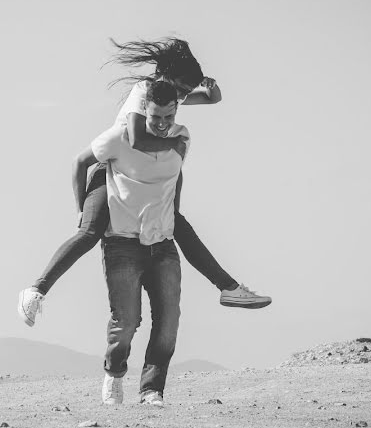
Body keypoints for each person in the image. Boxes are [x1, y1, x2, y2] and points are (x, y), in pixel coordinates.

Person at [17, 38, 269, 327]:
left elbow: (214, 98)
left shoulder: (170, 94)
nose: (184, 96)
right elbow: (136, 139)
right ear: (166, 78)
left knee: (177, 223)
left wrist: (210, 86)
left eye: (186, 92)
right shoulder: (143, 92)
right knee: (89, 232)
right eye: (183, 89)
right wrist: (175, 142)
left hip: (145, 174)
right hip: (111, 167)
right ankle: (36, 290)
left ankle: (229, 289)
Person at [77, 79, 186, 405]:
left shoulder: (181, 138)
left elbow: (176, 173)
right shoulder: (120, 137)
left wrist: (174, 211)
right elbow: (80, 162)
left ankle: (152, 389)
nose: (163, 124)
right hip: (121, 243)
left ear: (176, 110)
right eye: (156, 117)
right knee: (127, 321)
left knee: (168, 319)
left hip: (162, 243)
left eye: (169, 116)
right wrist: (81, 210)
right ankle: (114, 371)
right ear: (144, 110)